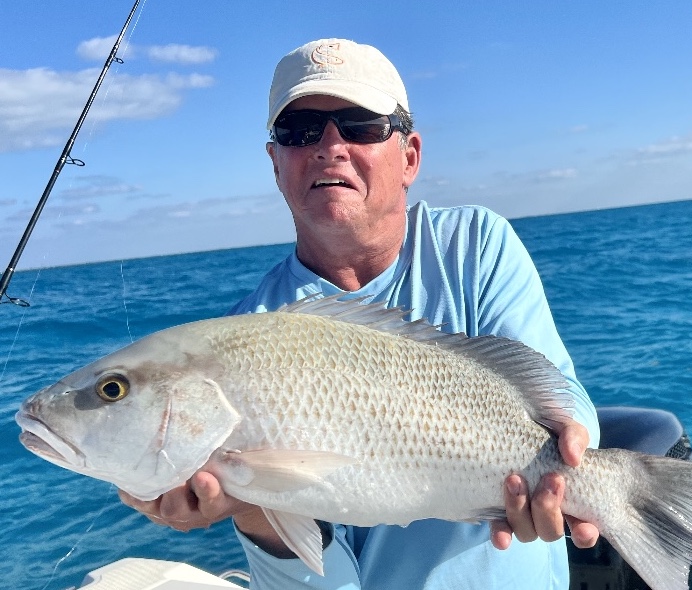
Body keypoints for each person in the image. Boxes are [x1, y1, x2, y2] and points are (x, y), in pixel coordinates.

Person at [120, 38, 601, 589]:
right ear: (276, 163)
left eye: (361, 125)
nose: (330, 146)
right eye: (299, 131)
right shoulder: (253, 325)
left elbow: (561, 399)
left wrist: (572, 460)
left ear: (410, 157)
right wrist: (251, 505)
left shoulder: (475, 243)